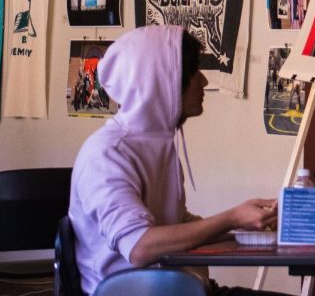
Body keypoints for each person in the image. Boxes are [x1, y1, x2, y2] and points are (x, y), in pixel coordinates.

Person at [69, 26, 281, 295]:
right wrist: (231, 218)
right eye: (194, 73)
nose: (203, 82)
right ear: (163, 81)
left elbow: (177, 226)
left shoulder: (157, 143)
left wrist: (246, 221)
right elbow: (139, 247)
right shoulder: (107, 153)